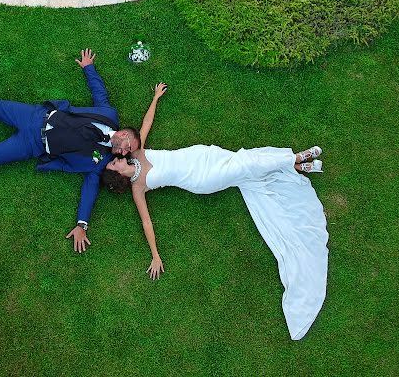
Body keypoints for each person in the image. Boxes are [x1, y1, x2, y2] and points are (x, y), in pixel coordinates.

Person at [101, 83, 329, 340]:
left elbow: (145, 126)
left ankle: (298, 168)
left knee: (247, 165)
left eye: (113, 158)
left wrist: (155, 98)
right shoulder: (138, 187)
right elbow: (146, 222)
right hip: (203, 179)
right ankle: (298, 158)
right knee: (246, 164)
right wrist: (155, 255)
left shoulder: (137, 153)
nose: (116, 156)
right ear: (117, 175)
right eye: (113, 161)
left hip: (202, 155)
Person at [0, 49, 140, 253]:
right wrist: (88, 68)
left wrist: (82, 223)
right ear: (123, 134)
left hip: (32, 145)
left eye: (127, 153)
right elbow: (100, 95)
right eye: (129, 147)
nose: (124, 153)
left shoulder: (102, 161)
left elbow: (90, 188)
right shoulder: (109, 115)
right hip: (36, 116)